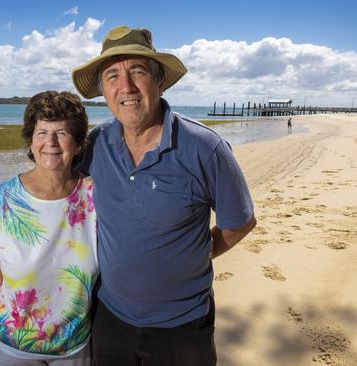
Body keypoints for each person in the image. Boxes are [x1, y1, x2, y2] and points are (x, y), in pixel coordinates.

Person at [71, 26, 257, 365]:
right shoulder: (95, 146)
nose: (125, 86)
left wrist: (195, 257)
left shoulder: (206, 148)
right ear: (103, 92)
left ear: (160, 82)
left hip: (183, 326)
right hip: (110, 318)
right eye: (112, 76)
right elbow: (59, 197)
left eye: (137, 72)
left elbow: (240, 223)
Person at [0, 91, 97, 366]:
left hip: (74, 353)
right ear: (30, 141)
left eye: (61, 133)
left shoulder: (95, 197)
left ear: (77, 145)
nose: (50, 142)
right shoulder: (4, 198)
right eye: (41, 132)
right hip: (6, 350)